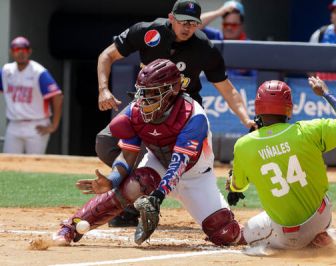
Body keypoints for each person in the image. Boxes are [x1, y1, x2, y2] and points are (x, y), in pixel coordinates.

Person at [53, 59, 246, 247]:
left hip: (195, 177)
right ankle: (70, 228)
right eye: (143, 93)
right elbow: (128, 155)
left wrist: (157, 198)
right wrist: (112, 180)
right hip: (157, 165)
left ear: (174, 90)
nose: (144, 100)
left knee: (225, 233)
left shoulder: (193, 116)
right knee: (134, 184)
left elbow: (178, 165)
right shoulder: (135, 112)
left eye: (153, 93)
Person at [96, 0, 254, 227]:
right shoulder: (148, 31)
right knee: (106, 142)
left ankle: (170, 195)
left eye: (193, 23)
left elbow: (227, 89)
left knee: (181, 165)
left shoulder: (204, 48)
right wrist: (103, 89)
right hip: (147, 109)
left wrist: (247, 119)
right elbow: (107, 55)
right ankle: (134, 204)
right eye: (183, 21)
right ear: (171, 18)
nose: (187, 27)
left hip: (182, 117)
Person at [227, 77, 336, 250]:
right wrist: (326, 94)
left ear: (258, 108)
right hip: (321, 217)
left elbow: (239, 187)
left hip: (287, 236)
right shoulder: (308, 130)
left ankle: (307, 242)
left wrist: (232, 185)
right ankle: (320, 237)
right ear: (288, 109)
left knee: (242, 235)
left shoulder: (243, 145)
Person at [0, 36, 63, 154]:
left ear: (29, 52)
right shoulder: (6, 71)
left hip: (37, 125)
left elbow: (57, 96)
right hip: (14, 124)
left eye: (23, 50)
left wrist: (54, 125)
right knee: (10, 164)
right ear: (11, 52)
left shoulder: (38, 72)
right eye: (16, 50)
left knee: (34, 165)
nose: (20, 53)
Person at [199, 1, 255, 77]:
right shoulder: (215, 36)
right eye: (226, 24)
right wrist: (219, 12)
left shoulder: (250, 46)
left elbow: (256, 79)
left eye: (233, 25)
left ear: (242, 26)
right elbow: (193, 26)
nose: (229, 28)